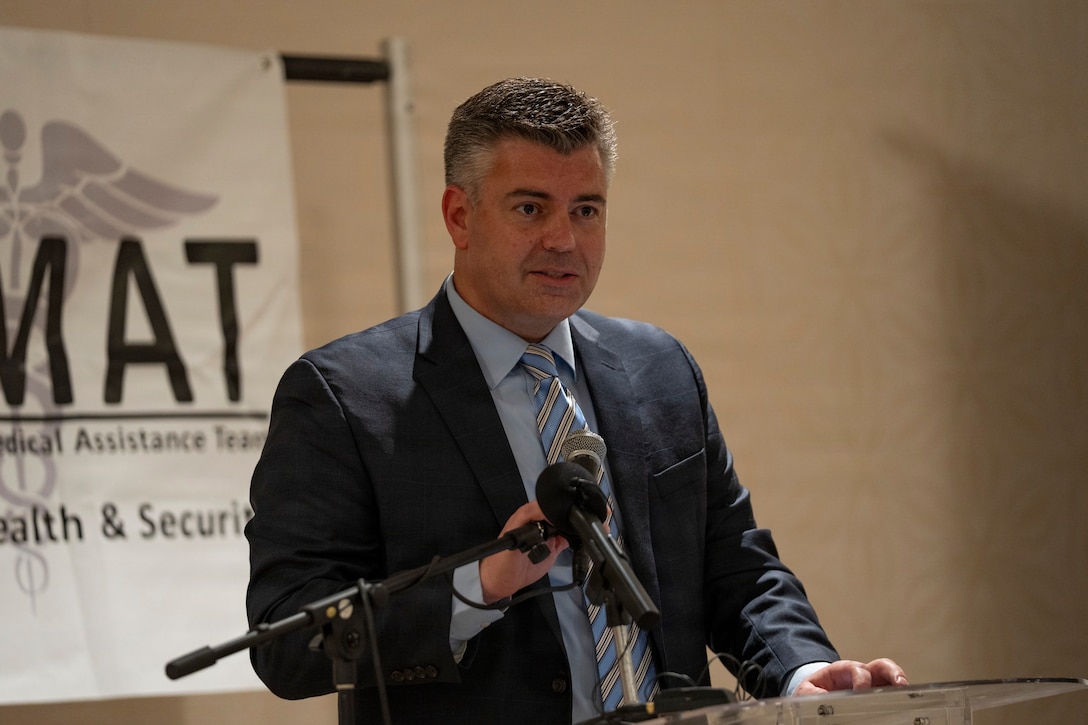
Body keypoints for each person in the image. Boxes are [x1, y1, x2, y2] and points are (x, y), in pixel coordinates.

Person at [245, 77, 908, 724]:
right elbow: (285, 640)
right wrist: (479, 586)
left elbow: (734, 565)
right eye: (530, 208)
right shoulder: (347, 396)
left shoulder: (662, 370)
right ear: (459, 215)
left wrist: (799, 668)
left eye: (585, 209)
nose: (564, 239)